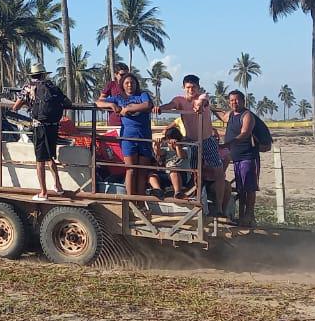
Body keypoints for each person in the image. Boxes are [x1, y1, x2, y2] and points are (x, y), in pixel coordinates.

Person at [157, 75, 226, 209]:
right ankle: (197, 202)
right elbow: (171, 105)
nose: (191, 90)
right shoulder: (180, 100)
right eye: (188, 87)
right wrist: (159, 108)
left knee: (219, 172)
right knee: (195, 173)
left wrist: (199, 105)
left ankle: (219, 207)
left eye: (193, 87)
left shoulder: (203, 96)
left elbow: (202, 101)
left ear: (198, 87)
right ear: (183, 87)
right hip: (191, 142)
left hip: (207, 140)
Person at [10, 63, 68, 201]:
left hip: (39, 126)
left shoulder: (28, 87)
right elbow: (67, 102)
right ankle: (58, 186)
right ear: (43, 74)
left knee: (40, 160)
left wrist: (28, 103)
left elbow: (15, 107)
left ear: (32, 75)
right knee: (50, 156)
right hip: (53, 125)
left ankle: (43, 192)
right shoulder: (51, 86)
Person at [95, 72, 156, 198]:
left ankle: (141, 200)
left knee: (142, 171)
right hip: (128, 138)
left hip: (144, 137)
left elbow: (147, 105)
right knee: (131, 169)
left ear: (136, 84)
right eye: (127, 83)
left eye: (132, 82)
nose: (129, 85)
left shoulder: (143, 95)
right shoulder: (118, 98)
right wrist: (111, 104)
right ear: (122, 85)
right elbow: (97, 103)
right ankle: (130, 200)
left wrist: (127, 109)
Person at [212, 90, 258, 227]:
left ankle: (249, 215)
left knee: (249, 187)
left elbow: (245, 133)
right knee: (241, 188)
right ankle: (242, 216)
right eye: (231, 100)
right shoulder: (231, 114)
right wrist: (210, 107)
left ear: (243, 101)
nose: (234, 103)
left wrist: (228, 144)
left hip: (247, 156)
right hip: (235, 157)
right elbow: (222, 117)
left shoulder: (247, 115)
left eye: (236, 100)